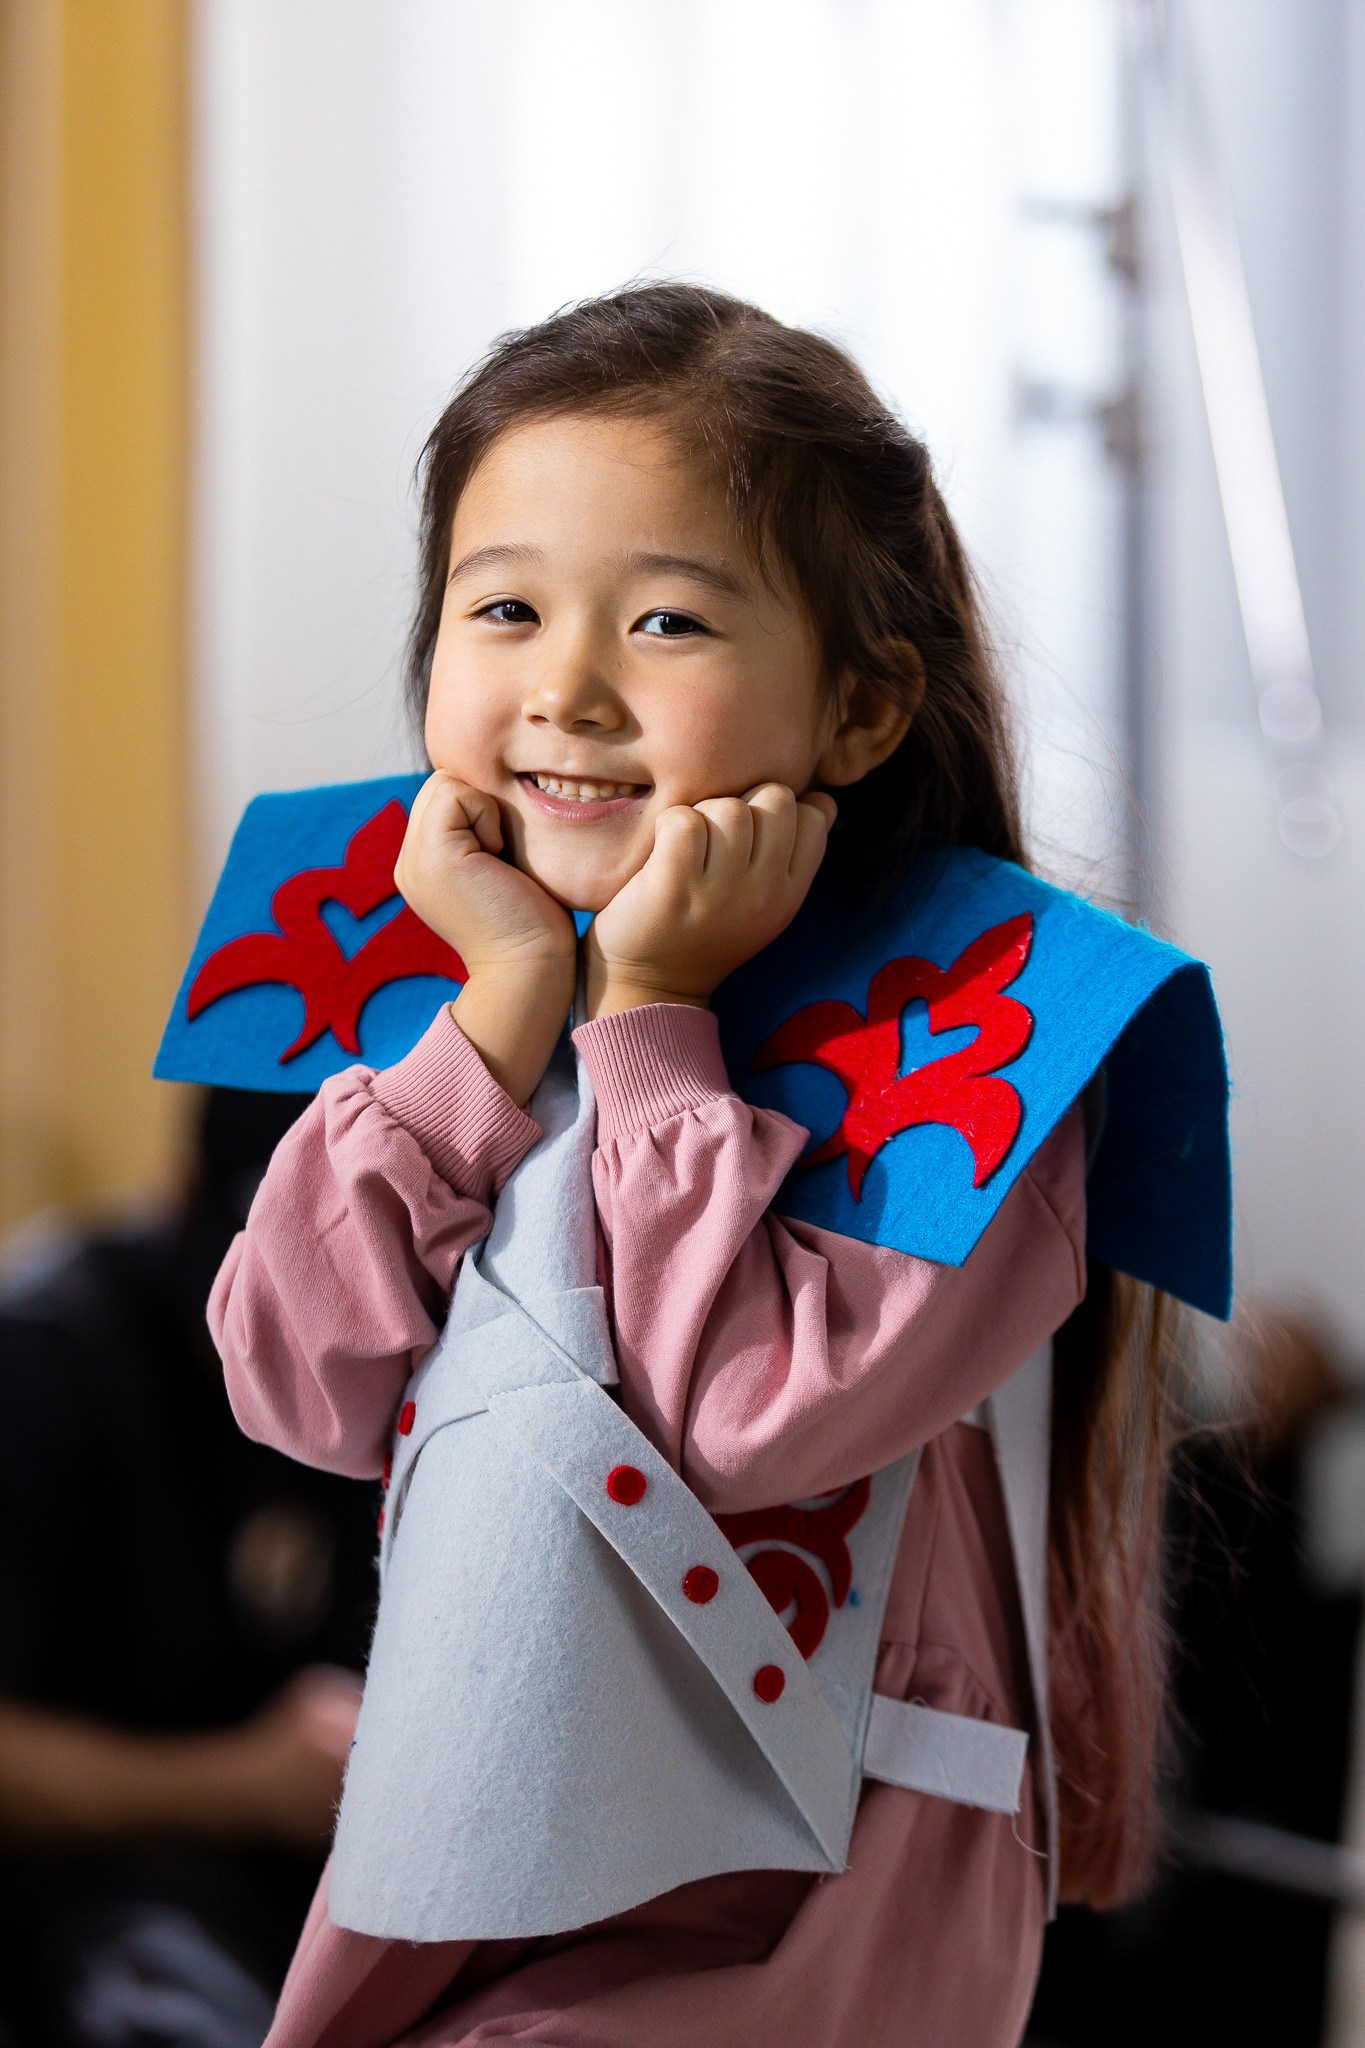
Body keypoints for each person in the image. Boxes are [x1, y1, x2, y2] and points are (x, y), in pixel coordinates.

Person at [209, 285, 1183, 2046]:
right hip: (482, 1845)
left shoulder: (992, 1048)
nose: (567, 686)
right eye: (501, 606)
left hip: (793, 1906)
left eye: (664, 620)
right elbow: (290, 1377)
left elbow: (742, 1418)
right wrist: (504, 1011)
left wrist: (656, 1010)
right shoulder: (469, 996)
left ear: (866, 709)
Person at [0, 1089, 378, 2047]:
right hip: (107, 1895)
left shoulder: (406, 1346)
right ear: (180, 1203)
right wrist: (241, 1781)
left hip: (348, 1882)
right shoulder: (47, 1358)